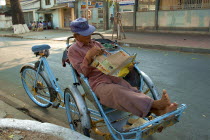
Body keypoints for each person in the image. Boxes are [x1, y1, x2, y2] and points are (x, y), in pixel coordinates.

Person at [68, 18, 178, 118]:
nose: (89, 35)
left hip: (112, 76)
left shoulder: (96, 44)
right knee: (117, 91)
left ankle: (160, 112)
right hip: (97, 82)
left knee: (131, 90)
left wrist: (125, 65)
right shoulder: (73, 50)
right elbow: (83, 73)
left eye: (89, 32)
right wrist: (88, 57)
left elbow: (110, 61)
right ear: (76, 36)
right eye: (85, 34)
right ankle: (156, 104)